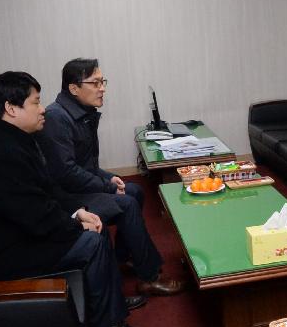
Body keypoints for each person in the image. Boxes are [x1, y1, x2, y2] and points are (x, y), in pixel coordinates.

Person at [0, 71, 154, 327]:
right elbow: (35, 216)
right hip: (4, 254)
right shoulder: (0, 155)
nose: (42, 110)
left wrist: (78, 212)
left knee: (94, 224)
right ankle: (108, 325)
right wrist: (75, 225)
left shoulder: (11, 139)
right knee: (91, 242)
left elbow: (45, 192)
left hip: (18, 234)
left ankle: (113, 301)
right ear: (11, 109)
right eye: (35, 102)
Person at [37, 58, 183, 297]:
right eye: (95, 83)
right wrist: (106, 185)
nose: (102, 88)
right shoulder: (56, 118)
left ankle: (124, 257)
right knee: (125, 203)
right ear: (74, 89)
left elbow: (88, 165)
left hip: (77, 185)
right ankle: (150, 276)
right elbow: (65, 173)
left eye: (102, 81)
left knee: (133, 189)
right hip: (66, 196)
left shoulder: (81, 112)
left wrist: (109, 179)